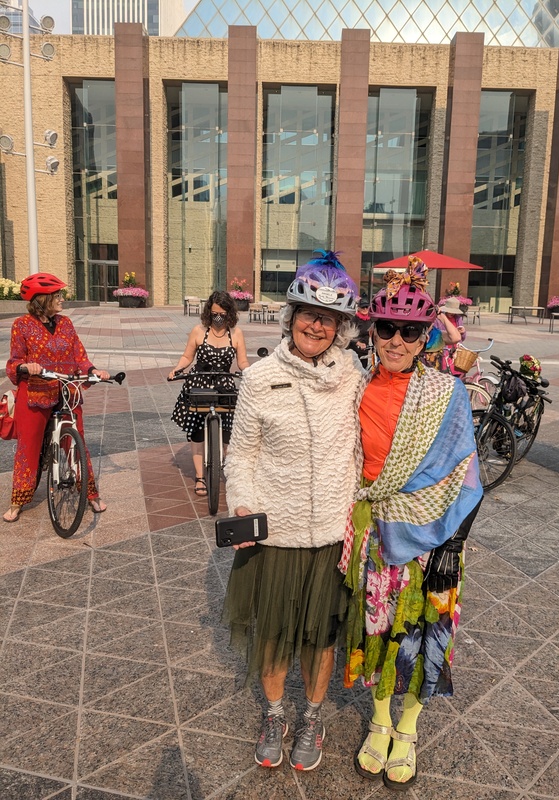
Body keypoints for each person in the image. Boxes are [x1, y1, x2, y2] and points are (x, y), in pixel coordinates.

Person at [340, 258, 483, 790]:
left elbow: (466, 473)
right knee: (377, 628)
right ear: (372, 331)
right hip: (376, 533)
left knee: (426, 634)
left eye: (409, 331)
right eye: (387, 328)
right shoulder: (355, 389)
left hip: (436, 539)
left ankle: (409, 728)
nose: (396, 341)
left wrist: (452, 544)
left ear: (426, 338)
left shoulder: (447, 393)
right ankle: (380, 721)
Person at [222, 251, 363, 772]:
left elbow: (367, 445)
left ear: (341, 328)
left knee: (322, 637)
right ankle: (276, 714)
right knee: (275, 634)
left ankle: (313, 717)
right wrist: (242, 502)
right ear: (290, 316)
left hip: (332, 533)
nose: (316, 326)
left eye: (328, 318)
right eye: (308, 314)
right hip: (274, 532)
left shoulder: (354, 376)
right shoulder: (259, 377)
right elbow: (241, 455)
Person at [4, 273, 110, 523]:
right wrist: (26, 366)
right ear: (42, 300)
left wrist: (93, 370)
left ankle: (90, 493)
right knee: (28, 446)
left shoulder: (65, 323)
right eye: (57, 296)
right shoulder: (21, 325)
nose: (62, 299)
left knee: (77, 443)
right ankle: (18, 500)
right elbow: (14, 360)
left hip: (66, 389)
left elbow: (79, 356)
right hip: (35, 392)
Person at [170, 290, 249, 497]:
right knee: (197, 431)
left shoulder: (236, 333)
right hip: (199, 383)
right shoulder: (199, 331)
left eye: (222, 314)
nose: (218, 318)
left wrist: (250, 373)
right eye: (214, 314)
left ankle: (229, 473)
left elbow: (242, 361)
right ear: (209, 312)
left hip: (224, 384)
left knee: (228, 432)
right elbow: (187, 356)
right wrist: (177, 369)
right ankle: (200, 477)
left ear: (229, 313)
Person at [421, 295, 464, 374]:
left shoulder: (434, 335)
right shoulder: (414, 334)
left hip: (433, 377)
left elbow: (456, 338)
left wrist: (441, 316)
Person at [347, 297, 372, 369]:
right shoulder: (354, 319)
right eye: (363, 307)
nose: (365, 309)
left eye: (366, 307)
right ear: (358, 308)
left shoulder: (371, 319)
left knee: (364, 369)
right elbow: (348, 334)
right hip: (354, 349)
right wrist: (358, 343)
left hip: (365, 349)